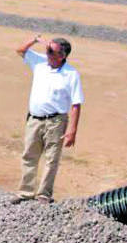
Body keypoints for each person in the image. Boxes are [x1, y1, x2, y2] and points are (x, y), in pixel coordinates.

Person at [11, 34, 84, 204]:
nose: (47, 53)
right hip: (34, 119)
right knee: (29, 155)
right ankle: (25, 192)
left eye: (51, 51)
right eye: (47, 49)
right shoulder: (40, 63)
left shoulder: (71, 74)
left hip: (56, 122)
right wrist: (34, 40)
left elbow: (76, 104)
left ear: (62, 56)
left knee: (51, 158)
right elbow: (20, 50)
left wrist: (72, 131)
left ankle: (44, 194)